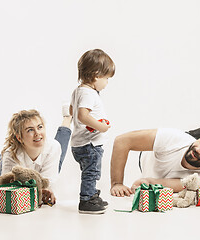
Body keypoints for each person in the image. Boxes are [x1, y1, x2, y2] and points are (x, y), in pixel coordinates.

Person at [0, 108, 72, 205]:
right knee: (0, 169)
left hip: (42, 160)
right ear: (20, 138)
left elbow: (47, 183)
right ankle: (9, 148)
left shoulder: (53, 147)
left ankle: (67, 118)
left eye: (40, 127)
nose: (37, 133)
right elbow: (10, 188)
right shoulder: (11, 155)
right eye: (30, 130)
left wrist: (45, 190)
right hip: (8, 166)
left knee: (58, 150)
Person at [110, 127, 200, 197]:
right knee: (180, 142)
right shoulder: (173, 139)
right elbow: (122, 141)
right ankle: (194, 135)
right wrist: (117, 183)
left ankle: (196, 136)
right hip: (149, 156)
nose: (198, 149)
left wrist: (146, 181)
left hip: (159, 173)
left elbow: (159, 182)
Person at [70, 49, 115, 214]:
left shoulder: (78, 91)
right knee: (91, 172)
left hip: (79, 142)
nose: (107, 83)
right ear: (96, 75)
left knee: (89, 171)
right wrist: (100, 126)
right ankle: (87, 200)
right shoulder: (88, 93)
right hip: (90, 144)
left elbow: (72, 109)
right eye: (107, 78)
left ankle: (91, 194)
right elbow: (82, 115)